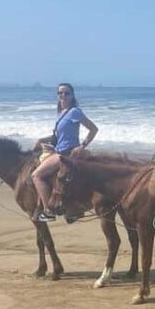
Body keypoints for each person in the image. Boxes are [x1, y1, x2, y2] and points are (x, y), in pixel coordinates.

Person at [31, 83, 98, 222]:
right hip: (58, 150)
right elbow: (58, 137)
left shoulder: (74, 112)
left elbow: (93, 129)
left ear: (72, 95)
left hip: (66, 154)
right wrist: (41, 141)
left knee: (36, 175)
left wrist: (82, 146)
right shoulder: (61, 112)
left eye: (66, 93)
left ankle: (48, 211)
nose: (63, 96)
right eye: (60, 93)